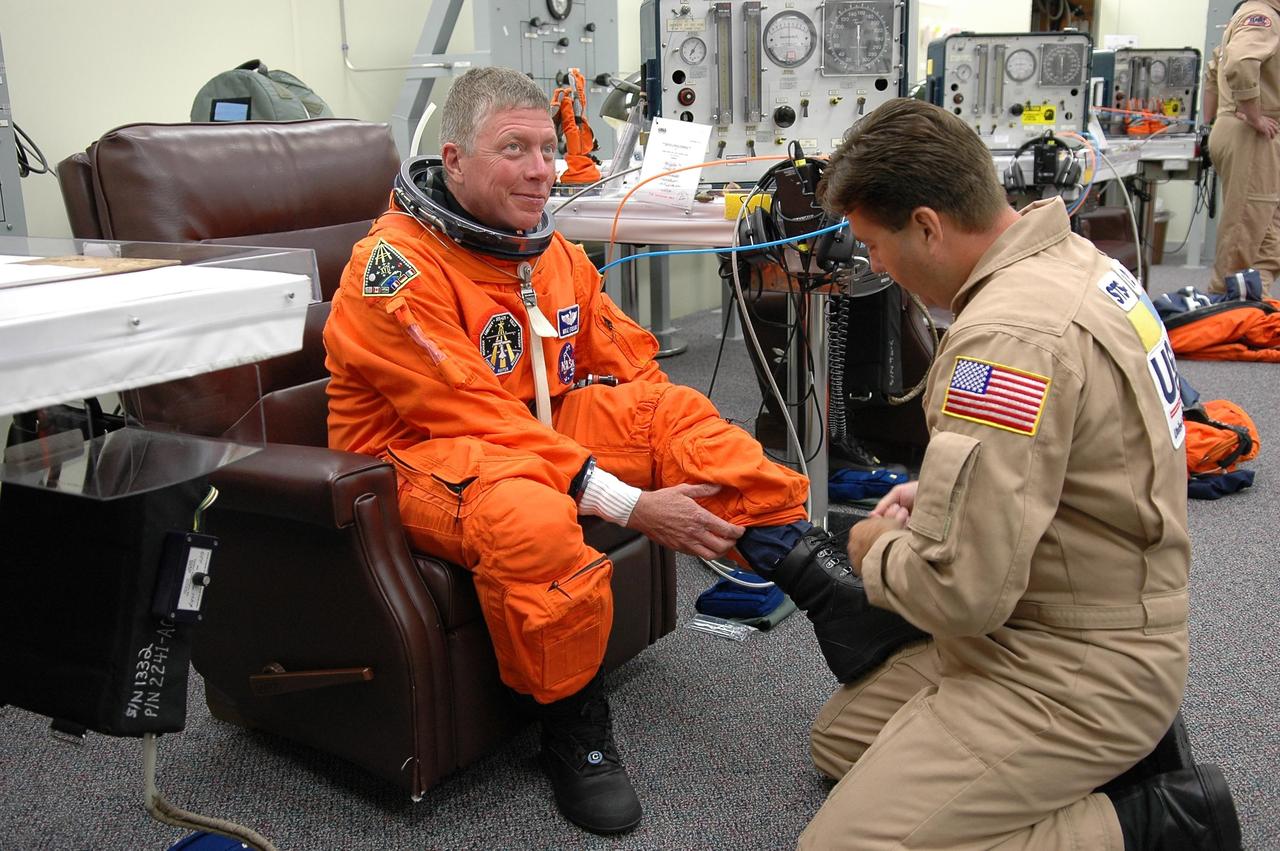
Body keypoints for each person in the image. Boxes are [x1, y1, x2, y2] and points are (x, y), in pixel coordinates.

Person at [321, 66, 914, 835]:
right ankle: (574, 730)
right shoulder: (391, 270)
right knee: (528, 515)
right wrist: (629, 501)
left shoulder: (547, 252)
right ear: (455, 158)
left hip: (536, 422)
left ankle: (822, 583)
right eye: (514, 149)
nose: (541, 170)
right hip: (419, 453)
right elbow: (470, 415)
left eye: (546, 148)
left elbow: (628, 359)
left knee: (677, 415)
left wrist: (667, 449)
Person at [760, 98, 1243, 849]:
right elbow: (1086, 453)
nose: (875, 268)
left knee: (842, 844)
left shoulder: (1006, 338)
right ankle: (1075, 767)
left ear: (927, 224)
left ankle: (1150, 821)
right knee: (841, 741)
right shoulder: (1078, 261)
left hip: (1071, 661)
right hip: (1074, 602)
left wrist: (867, 551)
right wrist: (955, 496)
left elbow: (963, 595)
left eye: (874, 246)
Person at [1205, 0, 1280, 295]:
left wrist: (1212, 122)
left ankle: (1252, 306)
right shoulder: (1261, 16)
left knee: (1267, 233)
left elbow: (1212, 75)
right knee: (1245, 233)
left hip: (1245, 130)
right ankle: (1225, 313)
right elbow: (1240, 63)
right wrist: (1252, 113)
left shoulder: (1251, 17)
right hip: (1252, 134)